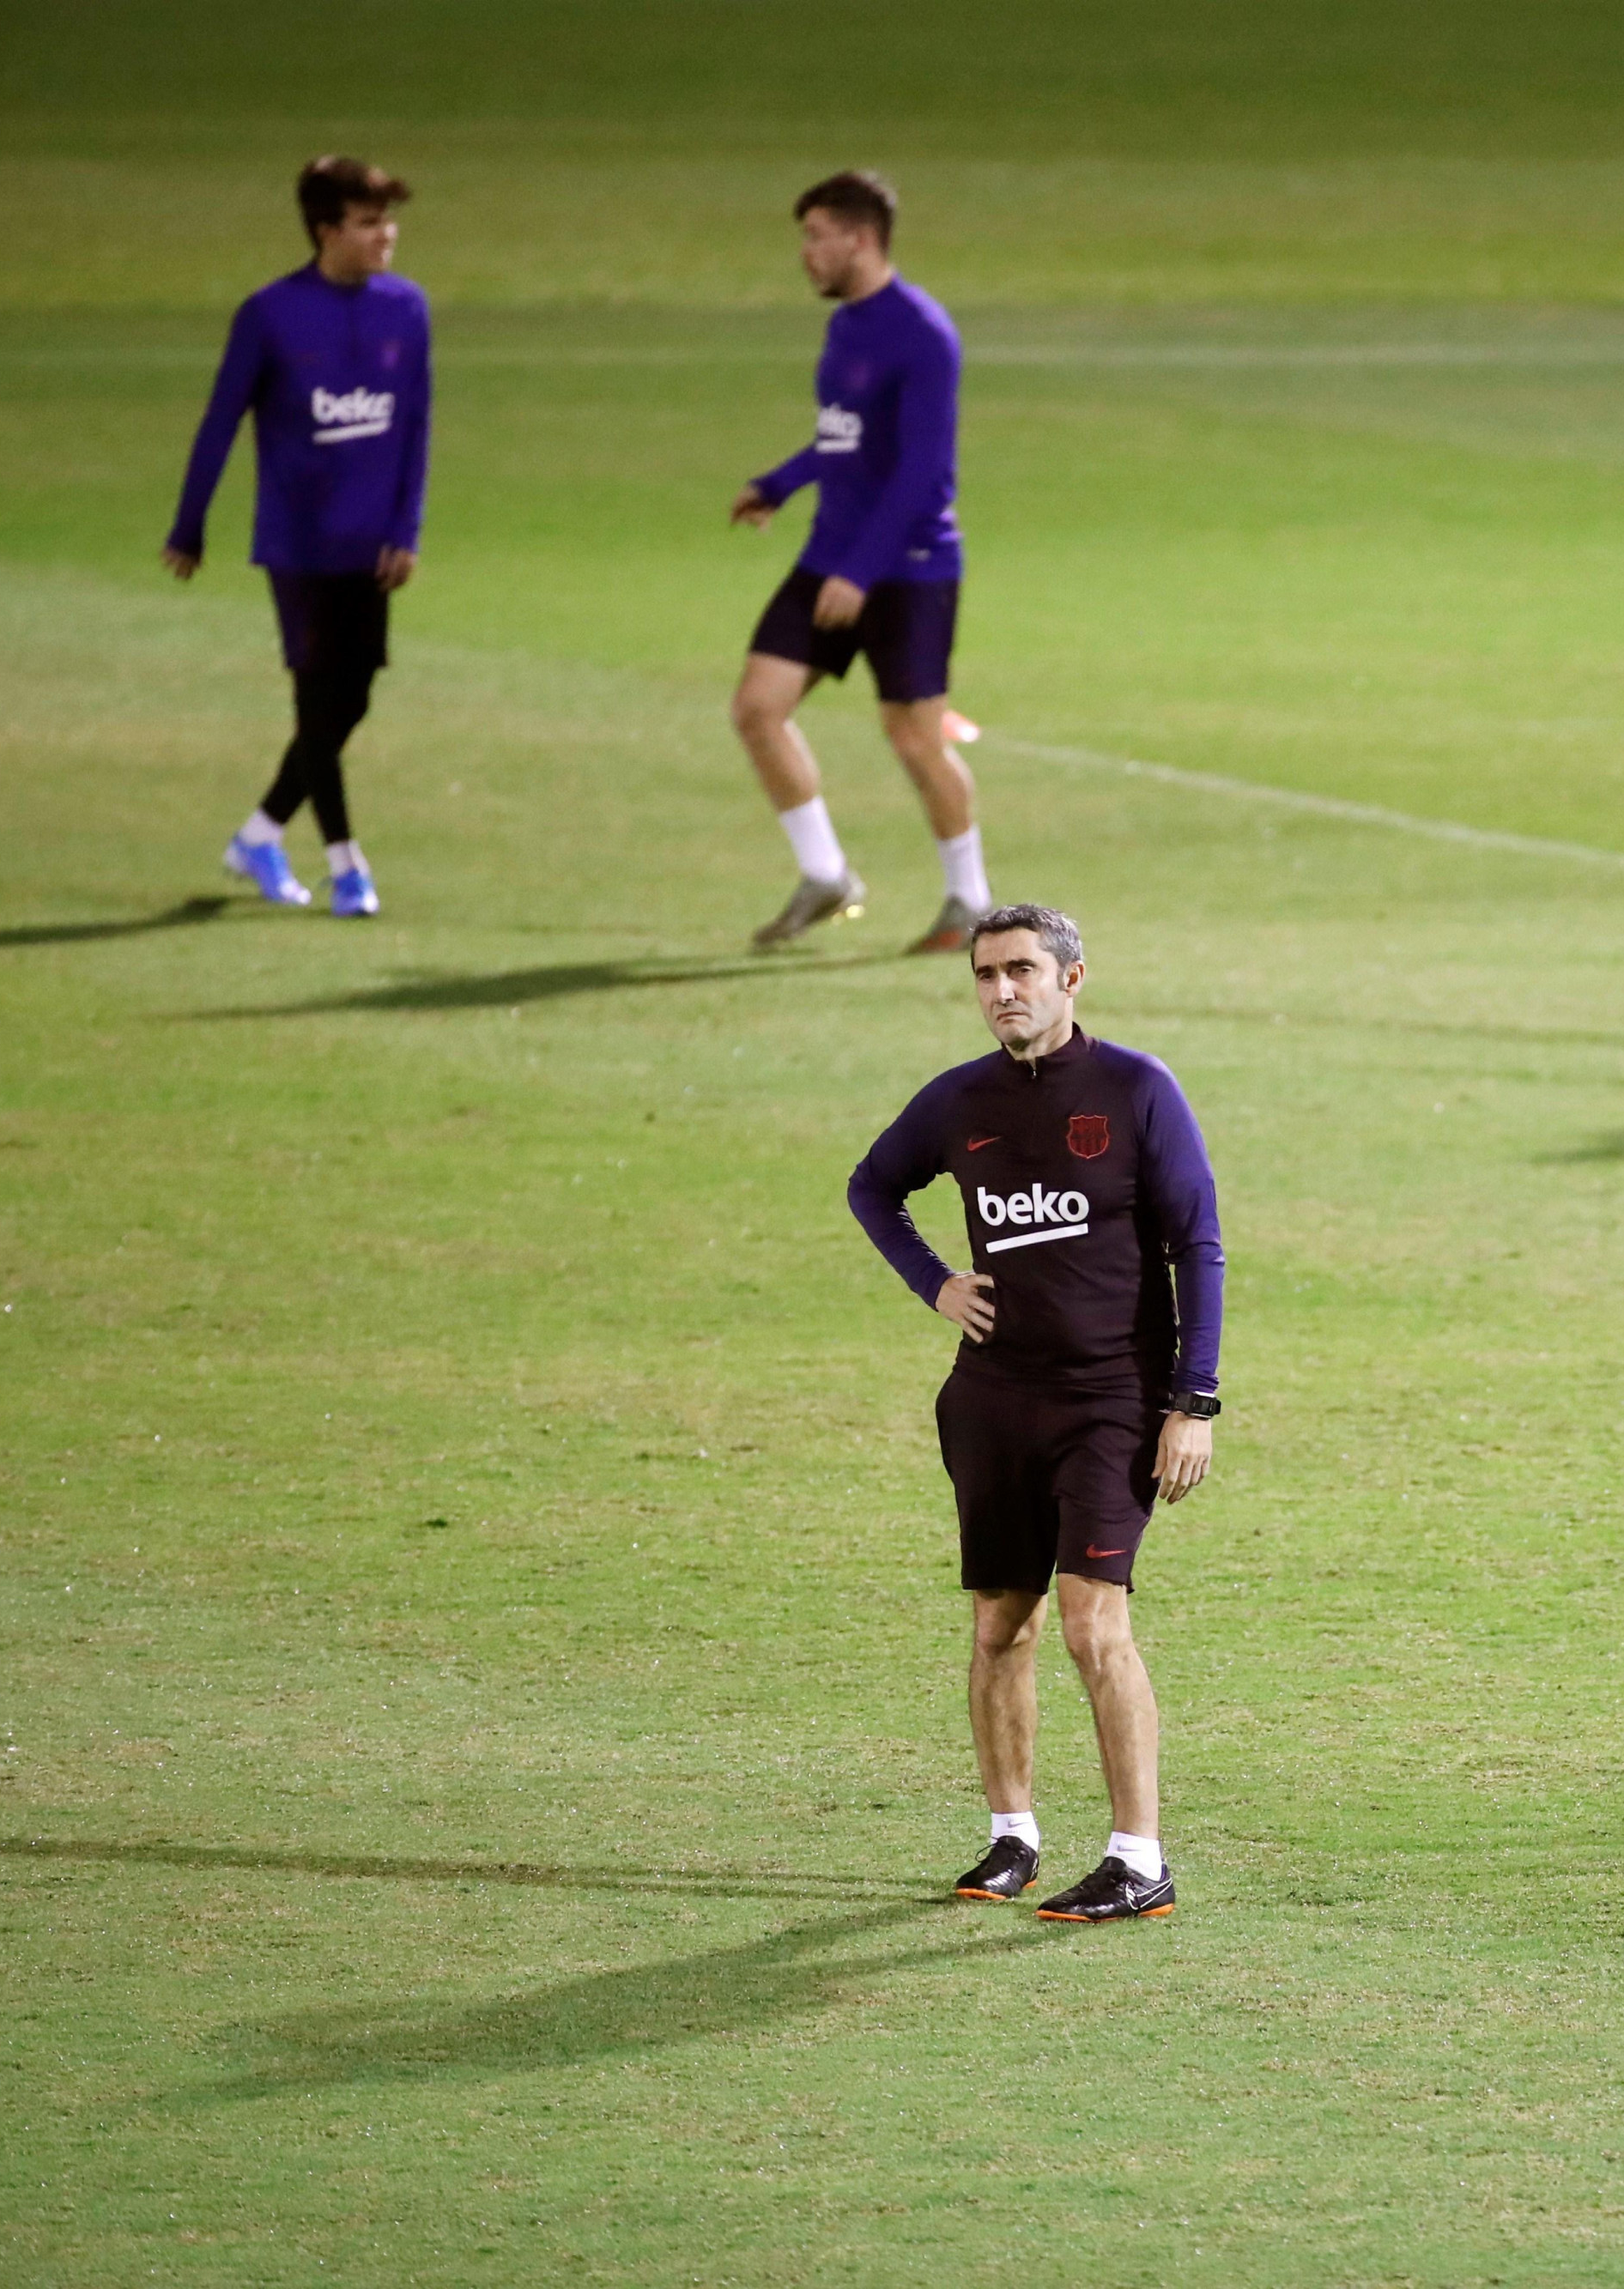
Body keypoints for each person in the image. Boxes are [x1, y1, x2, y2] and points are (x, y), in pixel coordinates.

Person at [846, 904, 1224, 1920]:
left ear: (1072, 978)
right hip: (993, 1399)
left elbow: (1200, 1247)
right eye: (984, 975)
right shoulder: (958, 1099)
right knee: (999, 1623)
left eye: (1021, 970)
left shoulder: (1138, 1090)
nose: (1002, 991)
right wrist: (934, 1284)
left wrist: (1193, 1402)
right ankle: (1012, 1836)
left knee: (1093, 1624)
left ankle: (1139, 1860)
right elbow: (873, 1188)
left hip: (1111, 1400)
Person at [730, 170, 991, 955]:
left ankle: (972, 901)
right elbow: (844, 437)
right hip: (831, 554)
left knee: (914, 738)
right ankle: (826, 875)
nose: (806, 254)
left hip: (906, 566)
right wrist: (780, 482)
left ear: (861, 238)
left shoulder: (922, 333)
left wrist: (864, 569)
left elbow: (924, 472)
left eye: (816, 237)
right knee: (756, 707)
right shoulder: (846, 326)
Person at [165, 157, 430, 920]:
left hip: (371, 547)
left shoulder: (407, 308)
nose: (388, 235)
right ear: (326, 231)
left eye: (389, 219)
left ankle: (258, 835)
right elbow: (220, 421)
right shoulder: (271, 313)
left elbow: (415, 425)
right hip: (300, 546)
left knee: (351, 703)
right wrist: (190, 523)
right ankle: (348, 865)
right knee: (319, 702)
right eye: (370, 221)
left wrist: (405, 529)